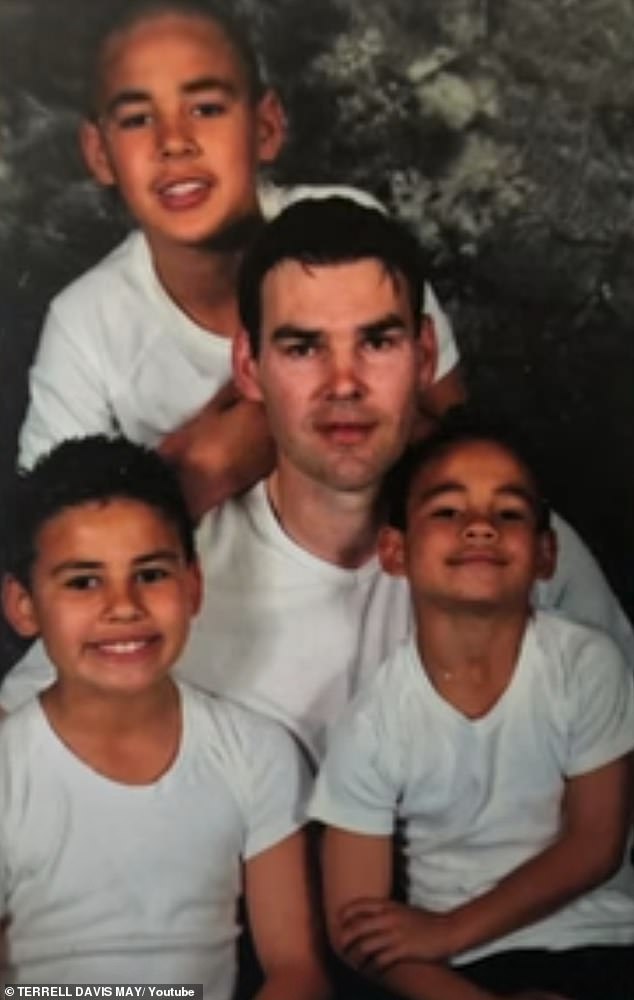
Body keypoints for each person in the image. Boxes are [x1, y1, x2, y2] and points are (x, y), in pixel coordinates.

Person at [2, 199, 633, 754]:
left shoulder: (513, 545)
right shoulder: (171, 580)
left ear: (425, 355)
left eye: (377, 342)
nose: (343, 385)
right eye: (303, 348)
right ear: (249, 366)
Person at [17, 0, 463, 518]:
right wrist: (202, 472)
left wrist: (278, 425)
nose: (174, 143)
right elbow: (49, 539)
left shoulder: (345, 226)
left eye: (205, 108)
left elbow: (456, 438)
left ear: (266, 126)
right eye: (138, 118)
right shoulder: (86, 325)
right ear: (99, 153)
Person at [309, 411, 634, 1000]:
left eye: (509, 513)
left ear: (545, 554)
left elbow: (597, 843)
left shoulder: (586, 664)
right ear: (394, 551)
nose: (480, 527)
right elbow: (356, 928)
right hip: (456, 972)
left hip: (604, 945)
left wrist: (447, 928)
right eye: (447, 511)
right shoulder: (373, 723)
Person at [0, 436, 328, 997]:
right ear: (24, 607)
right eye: (84, 582)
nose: (123, 606)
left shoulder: (256, 753)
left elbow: (295, 970)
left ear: (193, 585)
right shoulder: (10, 769)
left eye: (150, 574)